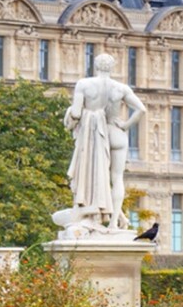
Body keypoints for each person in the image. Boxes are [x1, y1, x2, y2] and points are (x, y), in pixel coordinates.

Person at [54, 54, 146, 236]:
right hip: (116, 132)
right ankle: (113, 224)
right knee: (117, 178)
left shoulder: (84, 84)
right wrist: (126, 125)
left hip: (93, 136)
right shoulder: (120, 88)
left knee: (94, 174)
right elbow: (141, 110)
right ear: (112, 67)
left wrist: (68, 116)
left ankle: (92, 211)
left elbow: (76, 113)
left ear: (95, 66)